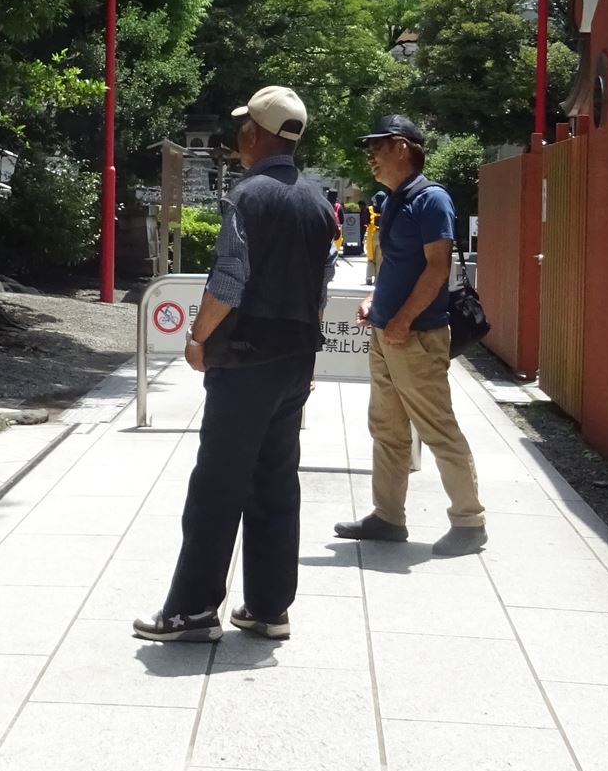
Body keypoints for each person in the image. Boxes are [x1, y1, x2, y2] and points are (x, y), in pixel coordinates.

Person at [136, 86, 339, 643]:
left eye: (243, 126)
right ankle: (269, 607)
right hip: (296, 358)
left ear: (255, 133)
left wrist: (198, 336)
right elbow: (322, 285)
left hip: (246, 357)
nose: (239, 136)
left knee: (218, 485)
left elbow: (228, 280)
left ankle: (192, 610)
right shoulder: (320, 202)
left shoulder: (248, 197)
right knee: (276, 482)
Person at [336, 113, 485, 557]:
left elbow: (437, 266)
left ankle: (469, 520)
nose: (371, 156)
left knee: (437, 427)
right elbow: (397, 264)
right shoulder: (393, 199)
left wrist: (401, 319)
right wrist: (377, 302)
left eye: (378, 147)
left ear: (402, 146)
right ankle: (388, 516)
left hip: (416, 335)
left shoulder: (431, 199)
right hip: (388, 331)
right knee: (386, 427)